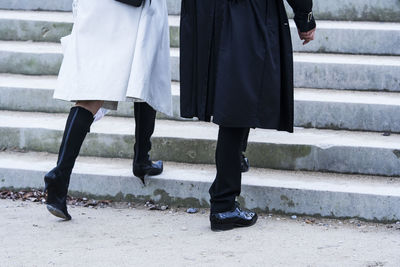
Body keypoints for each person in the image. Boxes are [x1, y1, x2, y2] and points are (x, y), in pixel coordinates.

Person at [180, 0, 316, 231]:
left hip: (207, 11)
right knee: (239, 99)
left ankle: (234, 168)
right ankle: (223, 204)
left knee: (237, 93)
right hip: (245, 11)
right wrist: (305, 16)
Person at [44, 0, 172, 220]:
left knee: (93, 90)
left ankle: (60, 176)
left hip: (97, 8)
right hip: (126, 9)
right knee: (146, 68)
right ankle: (141, 159)